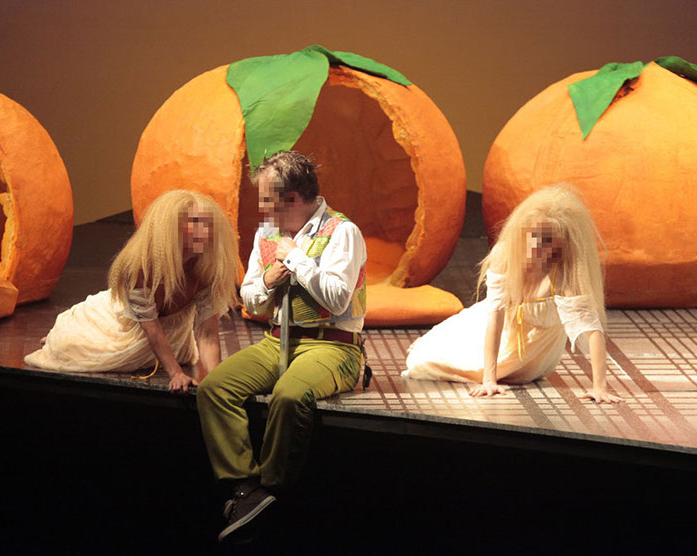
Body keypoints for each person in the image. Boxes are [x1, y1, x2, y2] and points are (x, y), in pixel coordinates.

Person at [196, 151, 367, 543]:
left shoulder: (342, 232)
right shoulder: (266, 235)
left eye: (266, 199)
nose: (261, 208)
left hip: (333, 346)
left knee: (288, 396)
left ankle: (271, 488)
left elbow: (337, 298)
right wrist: (268, 281)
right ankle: (245, 488)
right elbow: (251, 300)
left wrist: (299, 260)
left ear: (291, 198)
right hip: (276, 341)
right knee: (214, 388)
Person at [403, 185, 622, 404]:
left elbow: (591, 330)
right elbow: (495, 315)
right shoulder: (506, 255)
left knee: (459, 366)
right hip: (497, 330)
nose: (537, 245)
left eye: (547, 240)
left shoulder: (564, 274)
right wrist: (489, 379)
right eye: (534, 235)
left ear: (561, 243)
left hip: (535, 355)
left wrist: (599, 387)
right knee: (423, 360)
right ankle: (429, 343)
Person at [24, 190, 238, 392]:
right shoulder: (140, 267)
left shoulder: (206, 270)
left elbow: (208, 334)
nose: (204, 231)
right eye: (195, 222)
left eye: (208, 224)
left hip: (173, 341)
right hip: (123, 327)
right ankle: (59, 335)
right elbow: (152, 329)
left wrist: (216, 380)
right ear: (171, 227)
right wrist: (175, 373)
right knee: (68, 345)